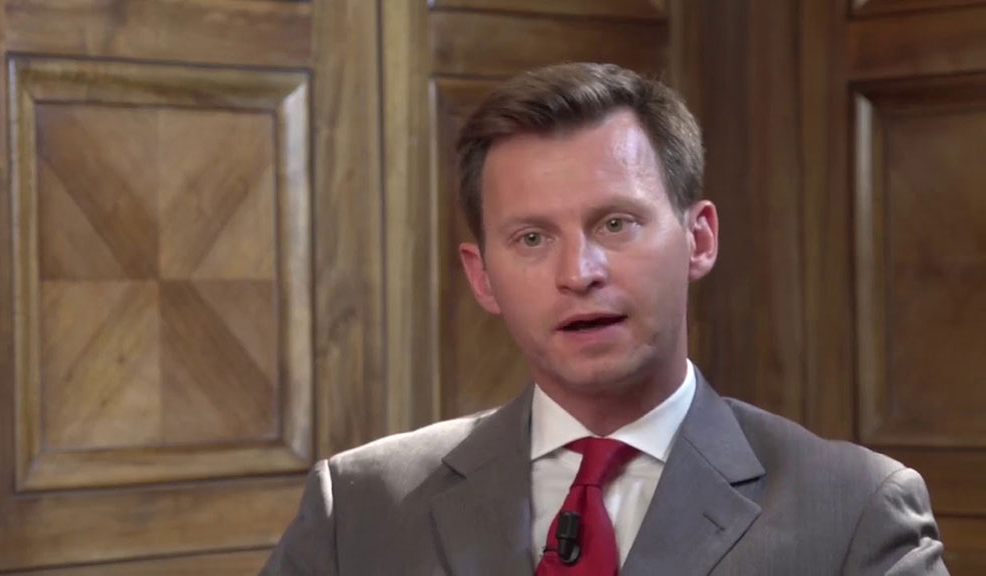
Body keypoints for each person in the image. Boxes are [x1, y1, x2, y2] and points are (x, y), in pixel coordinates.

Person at [261, 63, 947, 575]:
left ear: (699, 239)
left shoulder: (855, 513)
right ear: (482, 276)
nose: (578, 272)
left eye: (615, 223)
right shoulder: (357, 508)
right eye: (531, 238)